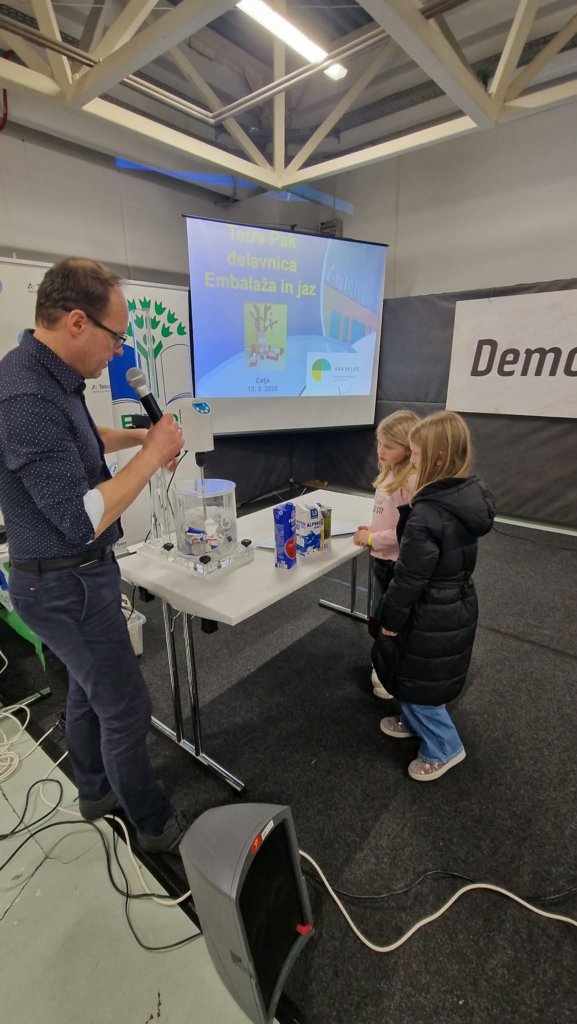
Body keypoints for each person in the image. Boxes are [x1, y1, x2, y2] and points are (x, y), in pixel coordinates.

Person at [0, 257, 187, 851]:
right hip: (65, 583)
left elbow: (82, 439)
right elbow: (81, 520)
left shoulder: (48, 374)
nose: (119, 351)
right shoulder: (25, 396)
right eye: (115, 337)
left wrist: (139, 437)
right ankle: (154, 825)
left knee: (88, 689)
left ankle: (95, 791)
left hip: (72, 580)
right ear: (78, 322)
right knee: (126, 706)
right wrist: (152, 456)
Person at [372, 410, 495, 781]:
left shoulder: (428, 513)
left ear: (437, 459)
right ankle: (414, 721)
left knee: (418, 679)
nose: (412, 462)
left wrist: (389, 621)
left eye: (416, 455)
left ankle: (444, 747)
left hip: (430, 610)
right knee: (418, 674)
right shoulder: (461, 496)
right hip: (450, 602)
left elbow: (409, 577)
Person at [354, 410, 419, 699]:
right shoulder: (390, 472)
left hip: (395, 563)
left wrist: (372, 538)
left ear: (408, 448)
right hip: (381, 558)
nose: (380, 450)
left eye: (389, 446)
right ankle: (384, 662)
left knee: (391, 620)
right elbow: (389, 517)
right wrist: (373, 529)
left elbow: (406, 533)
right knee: (380, 613)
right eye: (379, 443)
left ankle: (388, 671)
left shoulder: (410, 482)